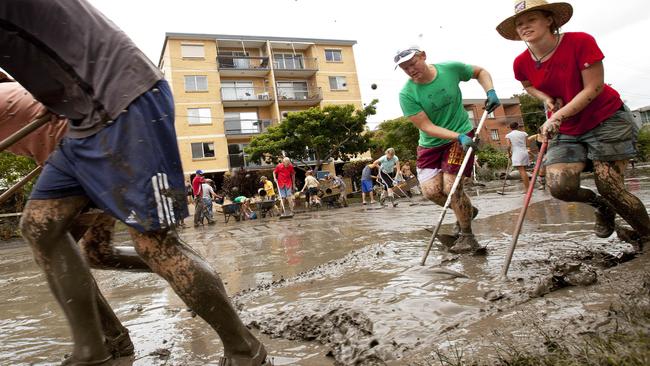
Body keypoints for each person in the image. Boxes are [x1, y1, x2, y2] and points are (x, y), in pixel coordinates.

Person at [0, 2, 267, 365]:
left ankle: (244, 350)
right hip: (82, 121)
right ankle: (92, 351)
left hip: (123, 101)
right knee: (39, 227)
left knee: (154, 244)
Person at [497, 0, 649, 249]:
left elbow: (594, 87)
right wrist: (546, 99)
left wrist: (557, 116)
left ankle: (647, 237)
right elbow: (528, 85)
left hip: (606, 118)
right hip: (567, 128)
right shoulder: (521, 62)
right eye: (520, 24)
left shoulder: (580, 41)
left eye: (531, 20)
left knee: (610, 187)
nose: (525, 27)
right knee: (560, 187)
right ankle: (602, 207)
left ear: (549, 20)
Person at [395, 45, 501, 253]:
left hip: (460, 135)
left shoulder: (450, 69)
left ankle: (468, 237)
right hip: (431, 143)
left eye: (412, 63)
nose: (410, 70)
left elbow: (480, 72)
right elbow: (426, 127)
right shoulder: (407, 94)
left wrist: (490, 91)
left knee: (452, 188)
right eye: (405, 68)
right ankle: (468, 211)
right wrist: (457, 136)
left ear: (423, 56)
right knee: (431, 192)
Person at [505, 122, 530, 191]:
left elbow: (508, 146)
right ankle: (528, 188)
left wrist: (509, 153)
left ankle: (527, 189)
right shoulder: (524, 133)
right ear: (518, 126)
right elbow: (528, 144)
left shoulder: (508, 135)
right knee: (524, 171)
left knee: (522, 171)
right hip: (524, 152)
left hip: (517, 153)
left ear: (510, 128)